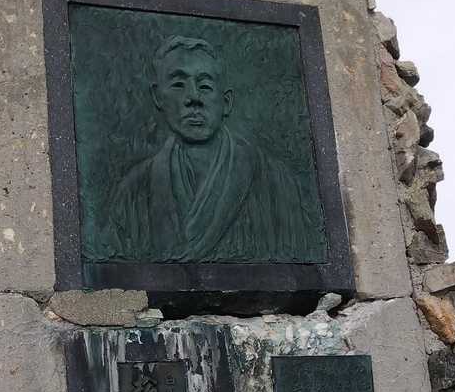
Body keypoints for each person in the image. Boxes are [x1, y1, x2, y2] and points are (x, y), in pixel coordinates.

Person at [96, 34, 323, 262]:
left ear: (226, 102)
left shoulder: (275, 183)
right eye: (178, 85)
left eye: (205, 86)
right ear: (157, 98)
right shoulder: (134, 191)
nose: (193, 97)